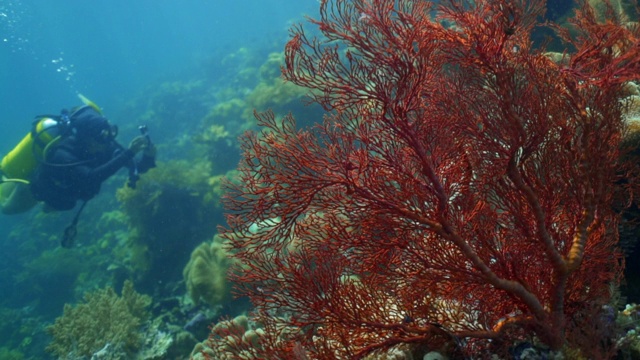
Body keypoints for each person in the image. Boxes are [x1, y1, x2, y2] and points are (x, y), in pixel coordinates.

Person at [0, 98, 156, 218]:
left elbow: (137, 167)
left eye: (108, 134)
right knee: (6, 208)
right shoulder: (64, 153)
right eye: (101, 138)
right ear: (86, 139)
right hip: (33, 189)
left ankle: (48, 202)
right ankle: (18, 181)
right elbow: (91, 178)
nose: (107, 141)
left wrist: (148, 157)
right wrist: (128, 153)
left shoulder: (104, 143)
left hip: (63, 195)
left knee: (61, 202)